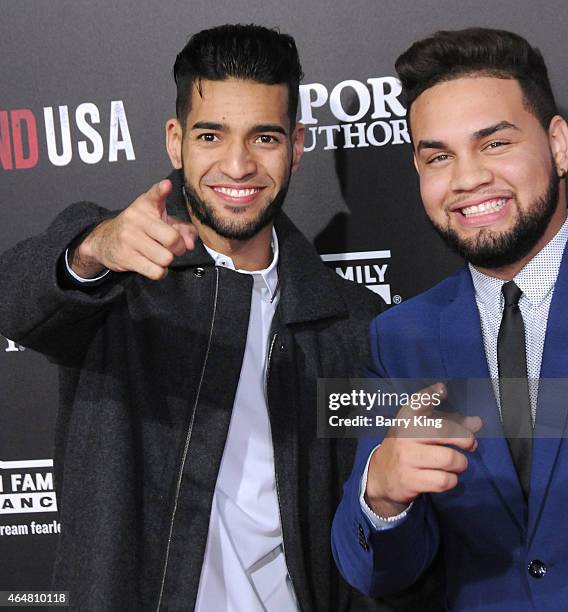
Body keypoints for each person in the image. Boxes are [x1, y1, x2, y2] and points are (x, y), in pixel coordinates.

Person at [0, 24, 384, 611]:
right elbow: (17, 301)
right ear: (176, 142)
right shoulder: (118, 274)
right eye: (211, 135)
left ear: (297, 145)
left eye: (264, 138)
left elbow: (380, 506)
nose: (237, 165)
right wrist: (91, 252)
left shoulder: (347, 320)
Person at [332, 27, 568, 611]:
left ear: (559, 145)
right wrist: (382, 497)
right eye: (438, 156)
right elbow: (378, 573)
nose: (466, 180)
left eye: (494, 144)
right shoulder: (401, 339)